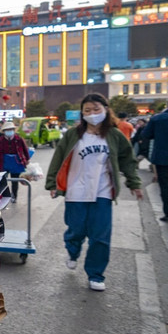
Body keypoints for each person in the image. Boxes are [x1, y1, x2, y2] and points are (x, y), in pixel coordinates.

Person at [45, 93, 142, 292]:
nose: (92, 113)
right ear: (82, 113)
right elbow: (59, 157)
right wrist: (52, 183)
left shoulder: (114, 135)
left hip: (102, 192)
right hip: (75, 191)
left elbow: (127, 160)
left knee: (100, 237)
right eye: (87, 110)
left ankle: (95, 274)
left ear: (106, 110)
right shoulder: (74, 134)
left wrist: (134, 183)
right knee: (76, 230)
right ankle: (73, 251)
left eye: (96, 109)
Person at [0, 121, 30, 202]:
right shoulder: (0, 140)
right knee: (2, 180)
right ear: (4, 131)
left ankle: (14, 196)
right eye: (7, 130)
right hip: (3, 162)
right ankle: (3, 196)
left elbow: (25, 149)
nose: (9, 131)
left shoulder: (18, 139)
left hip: (16, 162)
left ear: (13, 130)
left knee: (15, 181)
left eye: (10, 129)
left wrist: (27, 159)